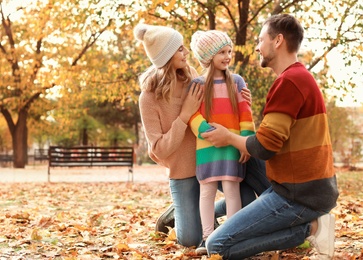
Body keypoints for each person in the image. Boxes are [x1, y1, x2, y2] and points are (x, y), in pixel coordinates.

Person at [201, 14, 339, 259]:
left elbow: (264, 146)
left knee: (217, 247)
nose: (256, 47)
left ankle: (312, 227)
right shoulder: (296, 78)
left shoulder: (290, 82)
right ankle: (225, 212)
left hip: (299, 195)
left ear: (278, 41)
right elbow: (271, 137)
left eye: (260, 39)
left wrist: (228, 137)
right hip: (303, 184)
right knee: (244, 155)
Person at [134, 23, 270, 248]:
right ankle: (178, 213)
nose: (186, 52)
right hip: (184, 171)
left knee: (246, 200)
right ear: (166, 56)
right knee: (189, 239)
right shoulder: (148, 97)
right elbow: (157, 149)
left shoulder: (193, 78)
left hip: (216, 154)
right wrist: (184, 115)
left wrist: (241, 103)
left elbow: (219, 105)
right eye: (179, 49)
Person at [187, 30, 256, 255]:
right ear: (209, 56)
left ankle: (231, 237)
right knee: (206, 192)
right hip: (207, 148)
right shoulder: (196, 84)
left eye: (229, 51)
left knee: (231, 190)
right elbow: (192, 115)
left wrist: (244, 142)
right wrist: (206, 131)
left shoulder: (236, 81)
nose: (227, 56)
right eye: (222, 52)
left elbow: (245, 113)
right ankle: (207, 238)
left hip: (232, 147)